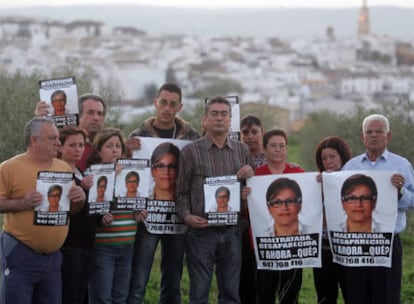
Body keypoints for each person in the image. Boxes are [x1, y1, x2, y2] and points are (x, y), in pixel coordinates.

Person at [176, 96, 254, 303]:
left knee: (230, 293)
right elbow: (181, 192)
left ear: (230, 120)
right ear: (205, 120)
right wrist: (186, 216)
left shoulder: (242, 151)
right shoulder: (190, 152)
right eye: (214, 114)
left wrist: (248, 184)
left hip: (232, 231)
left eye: (224, 114)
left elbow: (248, 190)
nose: (219, 118)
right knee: (199, 293)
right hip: (201, 232)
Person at [0, 117, 86, 304]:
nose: (58, 143)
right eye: (52, 138)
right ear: (34, 141)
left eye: (58, 138)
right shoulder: (9, 168)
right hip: (20, 253)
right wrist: (21, 203)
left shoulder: (63, 167)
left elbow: (71, 210)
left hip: (53, 259)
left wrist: (80, 199)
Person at [128, 83, 199, 304]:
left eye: (173, 104)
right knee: (139, 278)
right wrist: (125, 149)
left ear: (180, 106)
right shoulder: (138, 135)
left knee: (173, 278)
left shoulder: (191, 135)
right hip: (148, 216)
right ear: (155, 103)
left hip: (178, 217)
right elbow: (127, 173)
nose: (167, 108)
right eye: (163, 102)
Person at [341, 113, 414, 304]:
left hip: (388, 243)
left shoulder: (401, 165)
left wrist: (400, 193)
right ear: (362, 137)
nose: (373, 135)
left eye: (379, 132)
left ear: (388, 136)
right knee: (357, 296)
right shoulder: (350, 166)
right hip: (356, 243)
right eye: (369, 132)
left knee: (387, 296)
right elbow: (337, 200)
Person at [88, 128, 140, 304]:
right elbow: (91, 207)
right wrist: (111, 176)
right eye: (109, 146)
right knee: (102, 297)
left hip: (127, 245)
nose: (115, 149)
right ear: (99, 151)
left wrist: (140, 212)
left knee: (120, 296)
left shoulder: (131, 173)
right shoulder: (92, 174)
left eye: (118, 146)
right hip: (103, 247)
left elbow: (137, 202)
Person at [254, 128, 304, 304]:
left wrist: (317, 183)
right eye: (273, 145)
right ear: (264, 149)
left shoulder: (298, 173)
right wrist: (246, 196)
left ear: (287, 149)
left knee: (290, 294)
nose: (277, 149)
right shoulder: (255, 175)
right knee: (265, 293)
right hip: (265, 246)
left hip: (294, 246)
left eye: (282, 146)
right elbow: (249, 211)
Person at [58, 126, 96, 304]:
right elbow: (61, 205)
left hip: (87, 243)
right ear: (60, 147)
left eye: (81, 145)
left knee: (82, 295)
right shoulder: (58, 172)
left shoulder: (81, 171)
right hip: (70, 244)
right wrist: (83, 188)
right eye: (72, 145)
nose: (78, 149)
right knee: (71, 295)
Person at [313, 136, 351, 304]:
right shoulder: (315, 182)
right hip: (324, 247)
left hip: (349, 247)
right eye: (324, 158)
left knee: (353, 293)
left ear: (342, 156)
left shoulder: (354, 180)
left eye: (332, 156)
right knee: (325, 295)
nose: (328, 161)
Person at [36, 93, 108, 171]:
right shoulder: (59, 142)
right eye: (90, 112)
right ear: (78, 115)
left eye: (100, 114)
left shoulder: (111, 144)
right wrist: (41, 122)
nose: (96, 118)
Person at [239, 114, 265, 304]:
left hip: (265, 225)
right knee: (244, 276)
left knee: (263, 278)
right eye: (245, 132)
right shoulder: (235, 156)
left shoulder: (271, 155)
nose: (250, 136)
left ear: (262, 133)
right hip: (241, 226)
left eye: (254, 132)